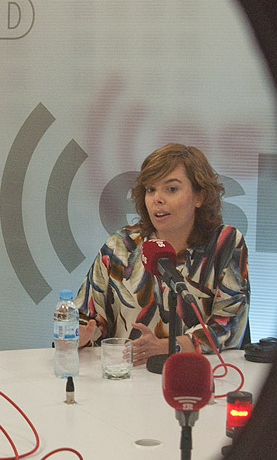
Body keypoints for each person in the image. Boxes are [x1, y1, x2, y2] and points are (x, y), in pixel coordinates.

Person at [74, 143, 249, 367]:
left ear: (200, 196)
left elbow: (229, 327)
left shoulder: (225, 244)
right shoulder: (122, 246)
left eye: (171, 189)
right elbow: (88, 316)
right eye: (150, 189)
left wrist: (168, 347)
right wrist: (80, 334)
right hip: (128, 373)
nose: (157, 199)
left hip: (194, 373)